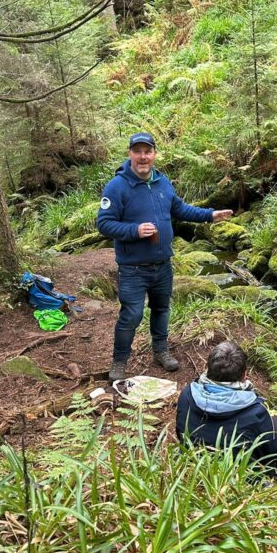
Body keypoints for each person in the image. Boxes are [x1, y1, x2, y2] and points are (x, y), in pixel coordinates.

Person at [97, 132, 233, 381]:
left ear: (154, 154)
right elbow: (104, 224)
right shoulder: (117, 186)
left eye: (147, 151)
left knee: (161, 309)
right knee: (132, 315)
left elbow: (179, 209)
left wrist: (210, 215)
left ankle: (161, 351)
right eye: (137, 151)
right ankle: (119, 361)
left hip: (162, 265)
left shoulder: (162, 182)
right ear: (130, 154)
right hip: (133, 268)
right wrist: (134, 231)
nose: (143, 157)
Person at [176, 341, 277, 472]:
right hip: (240, 473)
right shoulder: (255, 410)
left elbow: (180, 432)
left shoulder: (187, 394)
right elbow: (269, 449)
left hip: (195, 460)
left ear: (208, 368)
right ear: (244, 375)